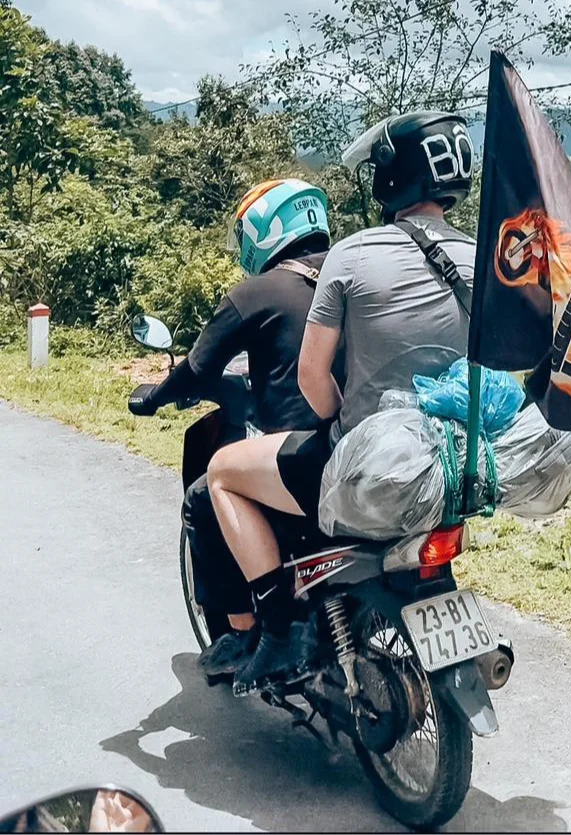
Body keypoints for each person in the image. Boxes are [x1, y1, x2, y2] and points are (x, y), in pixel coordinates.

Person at [206, 111, 476, 696]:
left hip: (370, 464)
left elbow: (311, 377)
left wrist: (338, 423)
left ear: (392, 176)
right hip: (456, 461)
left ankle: (275, 627)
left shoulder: (351, 256)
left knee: (222, 472)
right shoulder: (482, 259)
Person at [128, 178, 338, 678]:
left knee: (204, 497)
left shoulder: (255, 292)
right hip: (363, 445)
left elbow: (197, 372)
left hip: (300, 457)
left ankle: (247, 632)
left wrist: (153, 396)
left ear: (264, 230)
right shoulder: (350, 276)